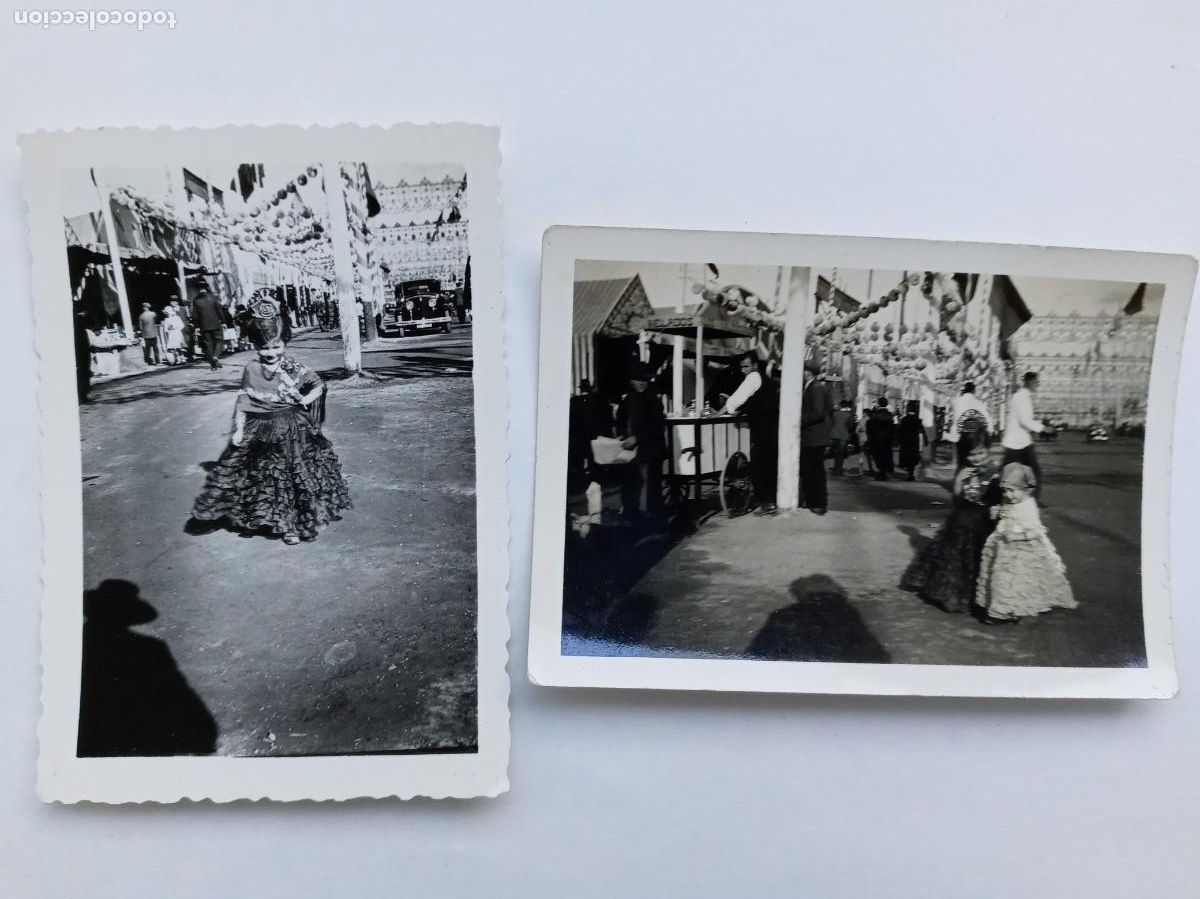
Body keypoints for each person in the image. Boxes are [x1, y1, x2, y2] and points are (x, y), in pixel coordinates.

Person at [191, 300, 351, 544]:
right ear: (255, 346)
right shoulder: (251, 369)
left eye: (276, 346)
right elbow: (244, 399)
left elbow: (318, 385)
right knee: (273, 480)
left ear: (284, 343)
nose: (271, 353)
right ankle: (285, 525)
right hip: (262, 431)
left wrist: (304, 399)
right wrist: (239, 429)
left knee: (297, 476)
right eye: (264, 348)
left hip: (294, 428)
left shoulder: (290, 365)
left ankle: (301, 522)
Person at [900, 436, 1000, 613]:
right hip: (963, 518)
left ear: (988, 451)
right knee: (958, 558)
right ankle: (958, 595)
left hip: (985, 520)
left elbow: (1001, 495)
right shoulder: (965, 471)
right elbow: (957, 496)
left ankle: (983, 597)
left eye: (981, 453)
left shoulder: (995, 469)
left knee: (982, 557)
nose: (976, 458)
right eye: (972, 455)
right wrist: (960, 482)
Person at [975, 462, 1076, 624]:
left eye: (1012, 491)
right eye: (1006, 491)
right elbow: (1002, 514)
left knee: (1015, 580)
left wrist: (1018, 537)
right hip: (1003, 544)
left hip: (1022, 548)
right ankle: (1003, 608)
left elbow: (1036, 531)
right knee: (1002, 578)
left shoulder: (1028, 506)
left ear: (1026, 489)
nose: (1008, 495)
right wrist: (997, 512)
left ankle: (1004, 611)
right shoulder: (1009, 500)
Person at [722, 353, 779, 514]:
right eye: (742, 367)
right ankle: (770, 501)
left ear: (755, 365)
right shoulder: (766, 380)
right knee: (769, 464)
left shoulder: (753, 377)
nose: (743, 370)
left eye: (746, 366)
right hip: (772, 427)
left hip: (762, 429)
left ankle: (766, 502)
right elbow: (756, 402)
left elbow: (738, 398)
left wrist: (730, 408)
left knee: (759, 465)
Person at [615, 361, 667, 522]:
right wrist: (621, 435)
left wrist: (637, 438)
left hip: (650, 450)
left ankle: (653, 520)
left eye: (645, 379)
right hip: (630, 451)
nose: (642, 383)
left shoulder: (654, 400)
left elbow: (657, 426)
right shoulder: (626, 400)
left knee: (650, 486)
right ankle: (632, 514)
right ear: (631, 380)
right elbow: (620, 422)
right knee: (630, 483)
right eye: (638, 379)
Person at [1001, 372, 1045, 498]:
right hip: (1016, 442)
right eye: (1035, 382)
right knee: (1012, 473)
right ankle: (1028, 499)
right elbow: (1025, 420)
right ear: (1028, 382)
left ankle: (1029, 499)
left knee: (1014, 471)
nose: (1037, 385)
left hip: (1022, 441)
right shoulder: (1021, 397)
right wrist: (1043, 428)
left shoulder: (1023, 396)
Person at [799, 359, 833, 514]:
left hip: (814, 436)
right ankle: (812, 500)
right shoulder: (813, 386)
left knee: (815, 471)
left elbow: (818, 412)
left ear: (807, 372)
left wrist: (799, 420)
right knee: (811, 470)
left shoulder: (816, 387)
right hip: (813, 436)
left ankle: (818, 503)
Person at [948, 381, 993, 468]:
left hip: (959, 435)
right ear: (974, 391)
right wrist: (989, 432)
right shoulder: (978, 403)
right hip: (974, 436)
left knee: (961, 460)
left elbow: (955, 416)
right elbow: (986, 418)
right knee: (973, 459)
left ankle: (960, 476)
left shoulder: (956, 401)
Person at [192, 288, 230, 370]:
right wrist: (223, 322)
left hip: (204, 326)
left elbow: (195, 314)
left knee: (208, 344)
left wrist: (196, 326)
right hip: (215, 324)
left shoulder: (196, 300)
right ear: (206, 290)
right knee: (219, 340)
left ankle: (214, 365)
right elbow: (219, 310)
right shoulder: (213, 297)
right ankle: (216, 356)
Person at [865, 397, 896, 480]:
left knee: (878, 455)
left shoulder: (875, 414)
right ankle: (883, 472)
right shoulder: (889, 415)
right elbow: (892, 428)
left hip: (876, 438)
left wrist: (870, 437)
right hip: (887, 438)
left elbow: (870, 426)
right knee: (886, 455)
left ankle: (881, 471)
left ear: (879, 403)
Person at [897, 400, 928, 481]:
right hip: (914, 440)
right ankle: (911, 473)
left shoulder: (904, 419)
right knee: (913, 457)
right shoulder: (918, 419)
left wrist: (898, 440)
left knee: (907, 456)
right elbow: (922, 430)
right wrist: (925, 439)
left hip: (905, 441)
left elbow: (900, 430)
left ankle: (909, 474)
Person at [829, 400, 854, 476]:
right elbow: (850, 426)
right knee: (841, 454)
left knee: (836, 453)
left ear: (840, 405)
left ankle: (835, 469)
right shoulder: (848, 414)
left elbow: (831, 423)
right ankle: (838, 470)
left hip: (834, 435)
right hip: (843, 435)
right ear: (846, 405)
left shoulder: (835, 413)